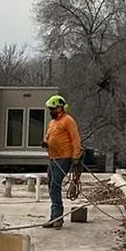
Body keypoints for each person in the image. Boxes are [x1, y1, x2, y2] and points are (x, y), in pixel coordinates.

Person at [41, 94, 82, 228]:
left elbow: (75, 139)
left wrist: (76, 157)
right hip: (53, 158)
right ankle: (54, 216)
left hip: (64, 158)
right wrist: (46, 143)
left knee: (55, 185)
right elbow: (49, 136)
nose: (50, 111)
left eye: (52, 109)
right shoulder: (52, 123)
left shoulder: (68, 120)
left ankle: (57, 217)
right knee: (51, 186)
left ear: (60, 108)